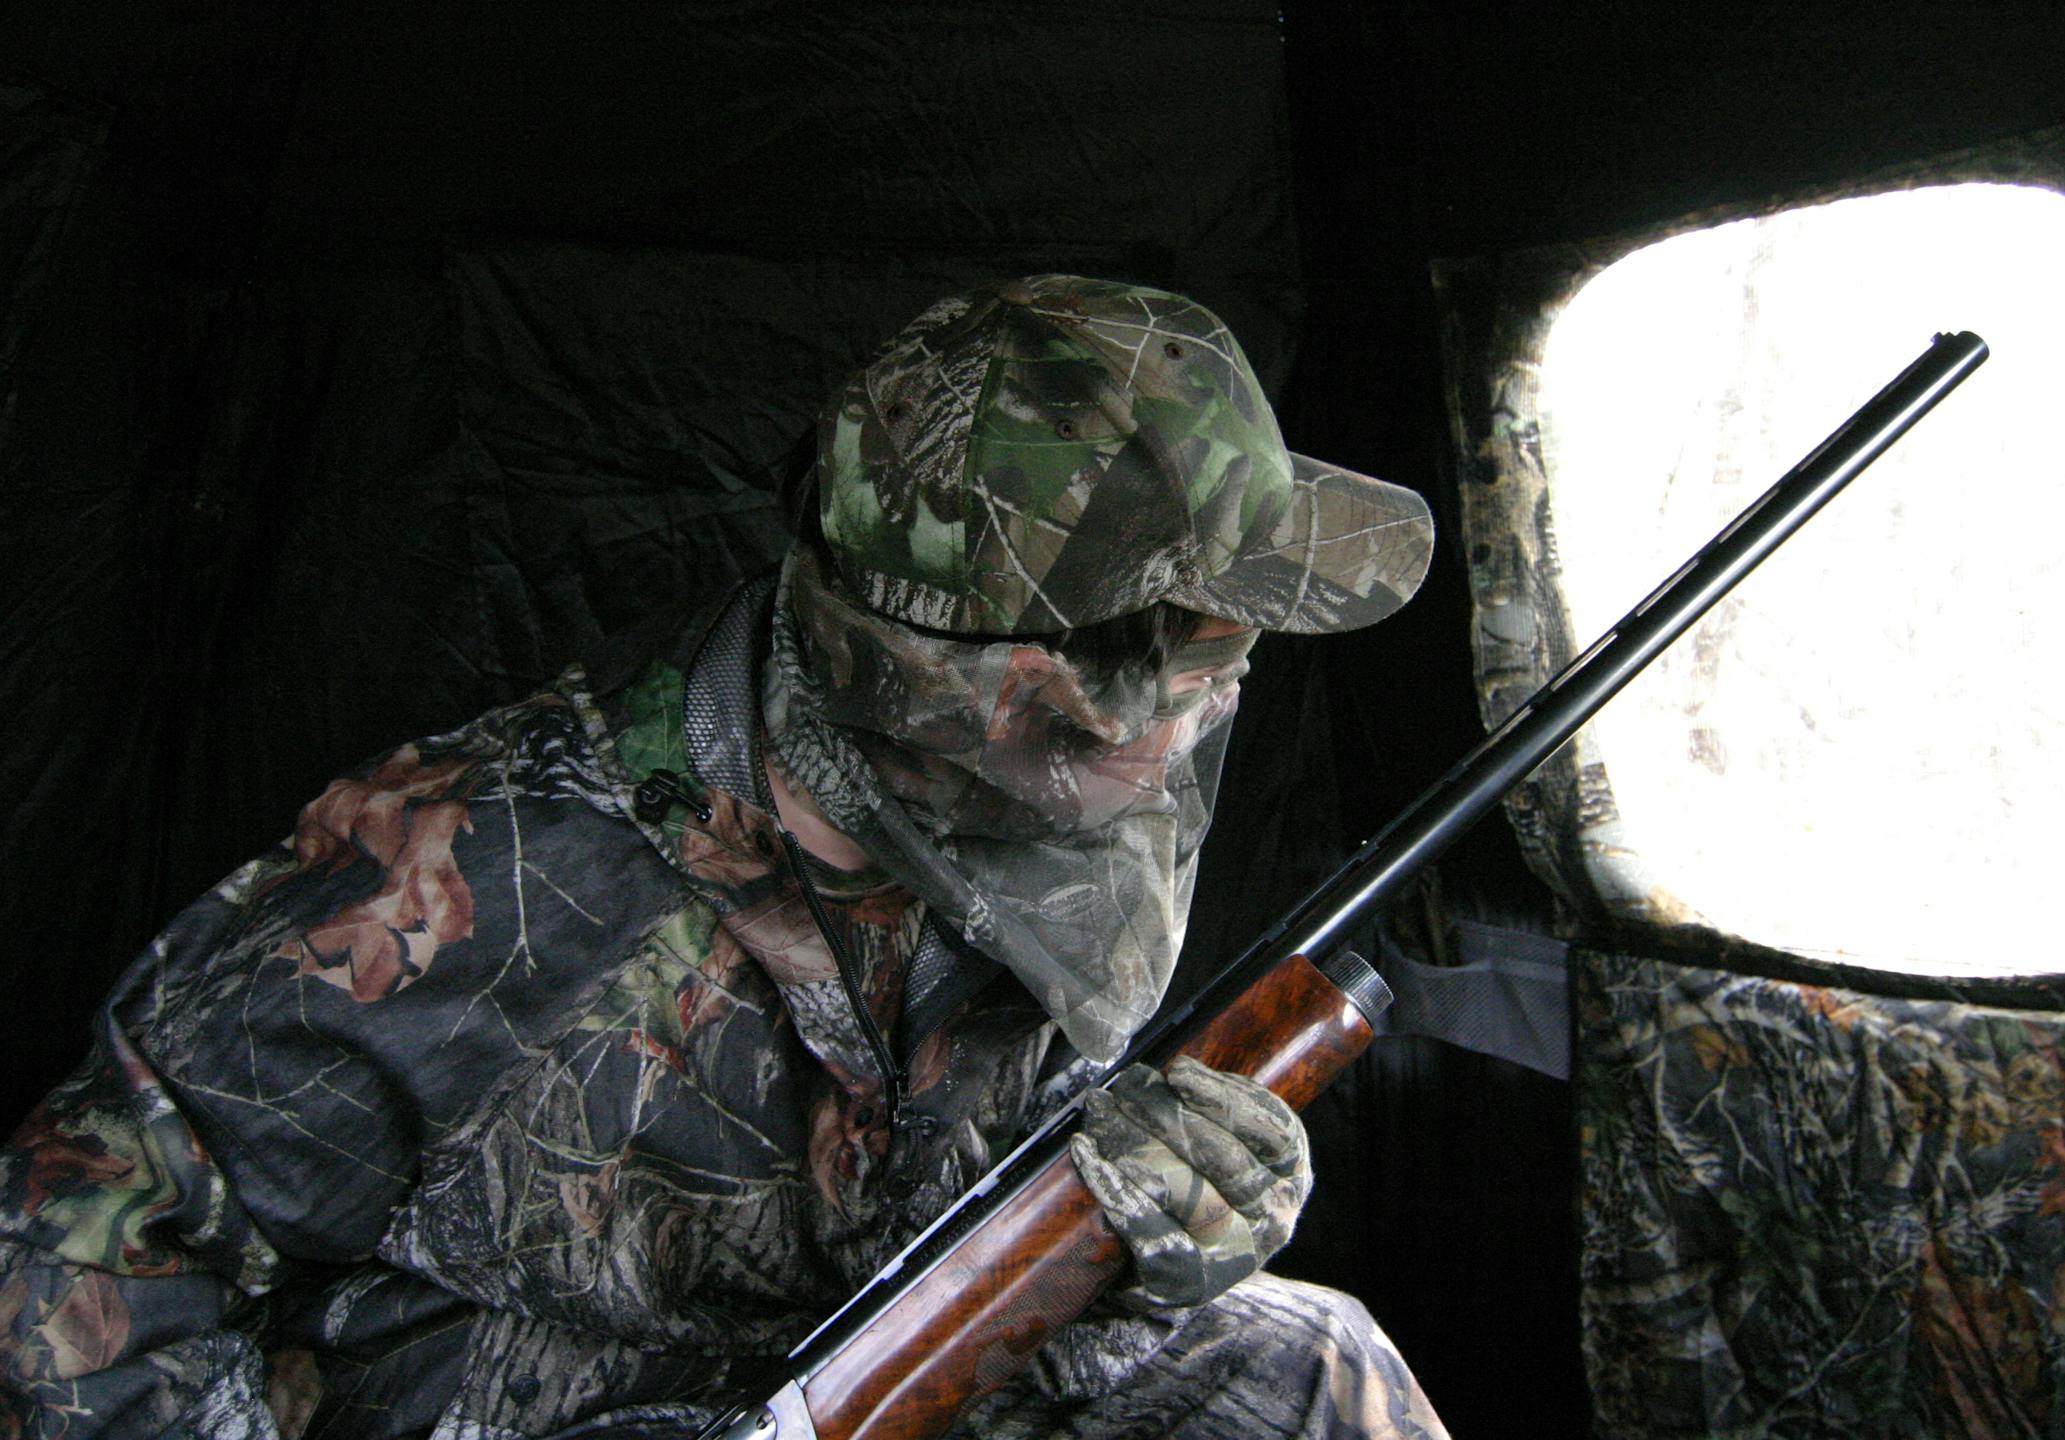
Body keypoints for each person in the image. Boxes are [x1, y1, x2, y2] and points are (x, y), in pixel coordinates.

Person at [0, 276, 1445, 1439]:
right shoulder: (491, 869)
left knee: (1309, 1371)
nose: (1229, 690)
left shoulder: (1031, 835)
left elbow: (938, 1275)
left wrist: (1126, 1242)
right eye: (1201, 649)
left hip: (846, 1383)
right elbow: (75, 1232)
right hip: (513, 1399)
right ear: (1006, 690)